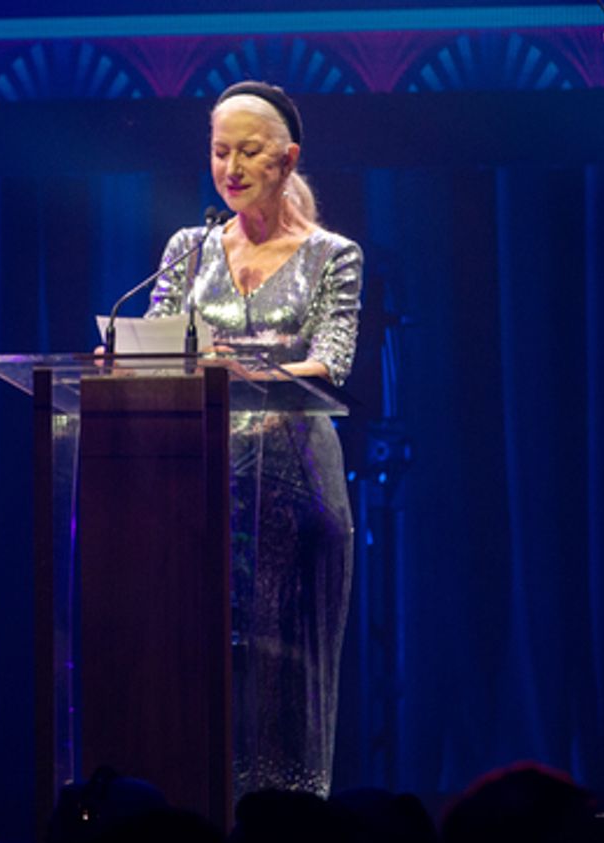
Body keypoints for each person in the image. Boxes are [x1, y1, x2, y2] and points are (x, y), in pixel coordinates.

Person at [145, 81, 361, 798]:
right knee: (198, 666)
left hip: (294, 484)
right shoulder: (189, 248)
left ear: (288, 158)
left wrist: (242, 372)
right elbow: (153, 347)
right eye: (219, 151)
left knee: (284, 674)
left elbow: (332, 360)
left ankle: (287, 830)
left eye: (248, 152)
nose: (230, 168)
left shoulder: (332, 254)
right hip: (200, 482)